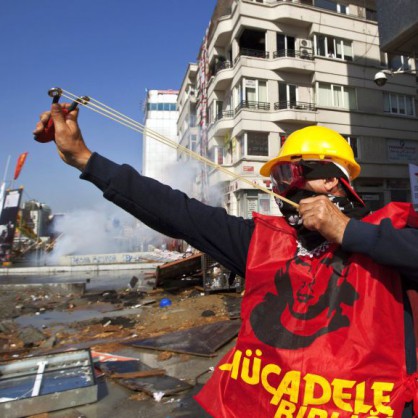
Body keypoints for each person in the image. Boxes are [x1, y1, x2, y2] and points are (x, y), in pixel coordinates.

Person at [34, 103, 418, 417]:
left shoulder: (391, 236)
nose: (281, 190)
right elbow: (176, 211)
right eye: (276, 181)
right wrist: (85, 159)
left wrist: (350, 232)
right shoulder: (263, 244)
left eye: (289, 174)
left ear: (332, 180)